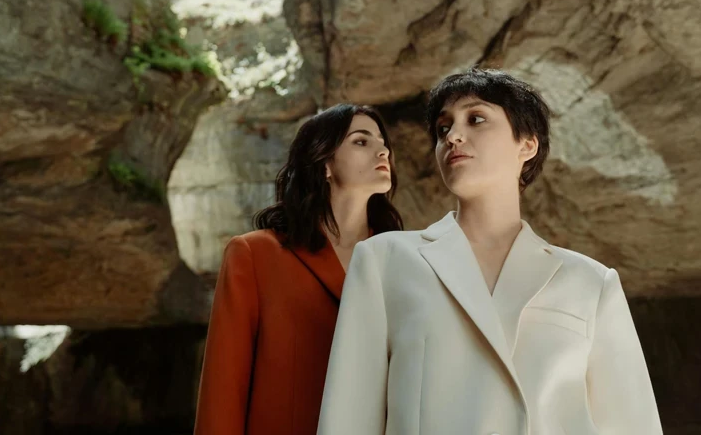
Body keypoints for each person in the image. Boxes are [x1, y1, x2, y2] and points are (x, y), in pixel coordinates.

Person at [317, 68, 662, 435]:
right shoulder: (383, 260)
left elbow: (632, 424)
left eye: (476, 118)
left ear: (527, 144)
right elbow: (347, 417)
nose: (453, 136)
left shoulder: (591, 282)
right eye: (443, 128)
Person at [194, 104, 404, 435]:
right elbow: (224, 386)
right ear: (324, 163)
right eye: (361, 141)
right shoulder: (254, 254)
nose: (383, 150)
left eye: (382, 141)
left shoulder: (402, 260)